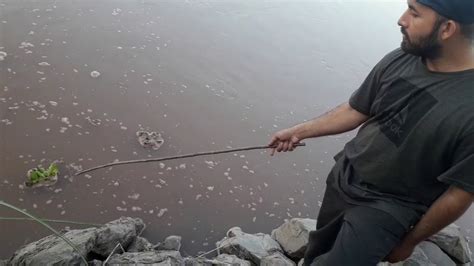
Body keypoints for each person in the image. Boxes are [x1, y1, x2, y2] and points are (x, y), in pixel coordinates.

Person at [269, 0, 474, 265]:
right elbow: (357, 109)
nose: (402, 20)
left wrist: (410, 241)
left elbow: (461, 193)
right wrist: (299, 132)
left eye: (414, 13)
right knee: (316, 251)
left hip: (389, 208)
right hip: (345, 177)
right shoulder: (402, 57)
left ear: (447, 28)